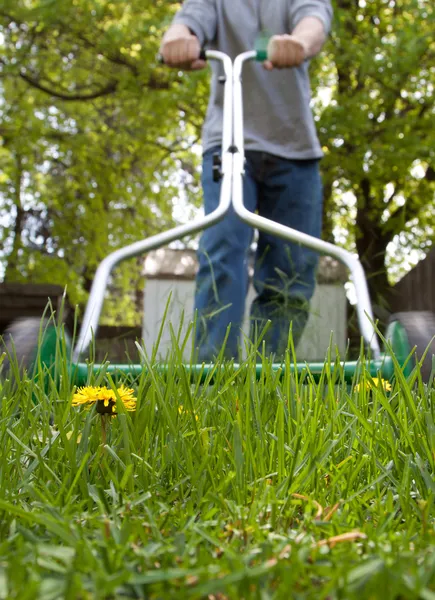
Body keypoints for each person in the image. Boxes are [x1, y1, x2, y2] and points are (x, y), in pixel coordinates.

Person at [160, 0, 333, 362]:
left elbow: (314, 21)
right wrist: (177, 39)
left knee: (291, 267)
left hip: (295, 147)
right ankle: (212, 381)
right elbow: (188, 22)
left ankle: (266, 384)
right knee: (223, 249)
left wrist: (298, 43)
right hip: (228, 143)